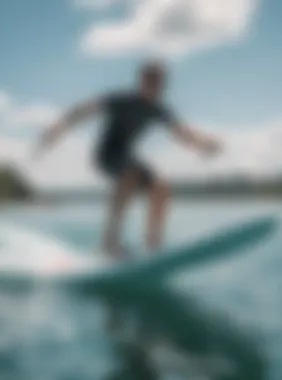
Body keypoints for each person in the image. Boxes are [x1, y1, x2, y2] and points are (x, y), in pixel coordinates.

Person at [36, 61, 222, 258]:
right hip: (106, 155)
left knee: (162, 187)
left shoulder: (158, 109)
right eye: (152, 81)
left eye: (160, 83)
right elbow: (82, 110)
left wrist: (204, 145)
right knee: (130, 175)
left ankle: (153, 245)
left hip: (128, 157)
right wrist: (56, 129)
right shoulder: (122, 100)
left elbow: (182, 133)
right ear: (141, 81)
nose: (156, 87)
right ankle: (109, 242)